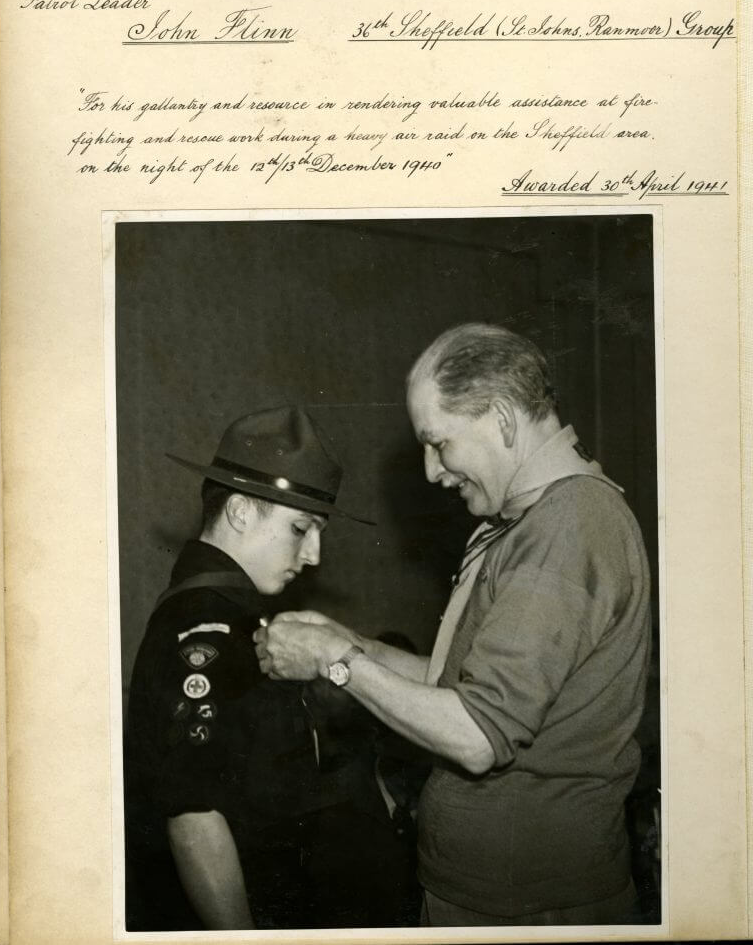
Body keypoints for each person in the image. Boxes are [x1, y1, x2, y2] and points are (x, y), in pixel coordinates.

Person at [255, 323, 652, 927]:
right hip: (495, 895)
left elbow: (476, 735)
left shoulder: (568, 525)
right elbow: (457, 687)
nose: (433, 472)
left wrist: (334, 663)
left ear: (501, 418)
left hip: (527, 908)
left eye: (438, 443)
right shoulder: (532, 521)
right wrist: (351, 643)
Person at [124, 404, 399, 931]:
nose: (314, 555)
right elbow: (194, 818)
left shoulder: (235, 612)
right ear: (242, 512)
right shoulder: (205, 627)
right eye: (301, 529)